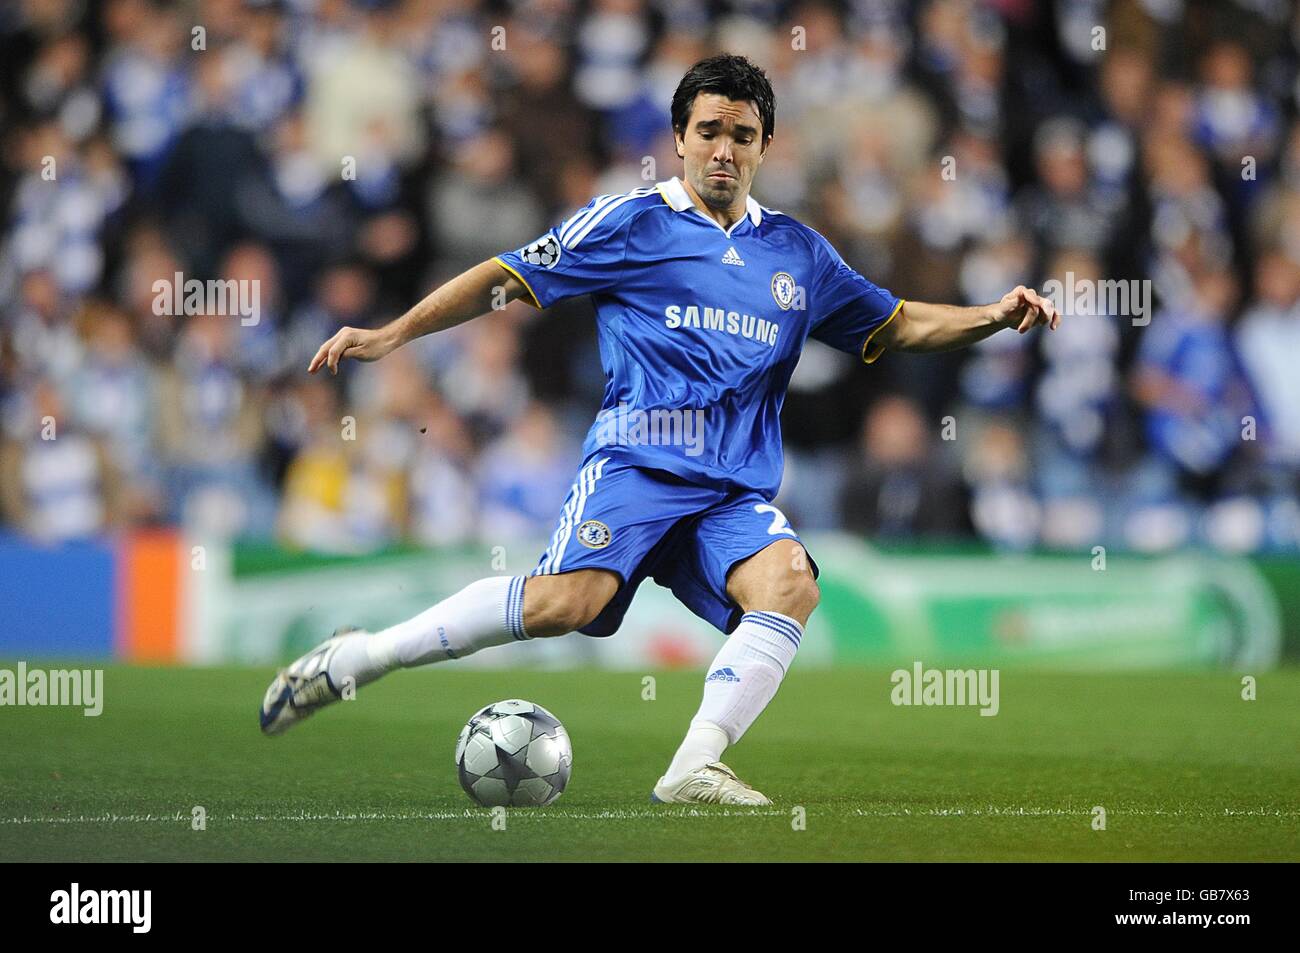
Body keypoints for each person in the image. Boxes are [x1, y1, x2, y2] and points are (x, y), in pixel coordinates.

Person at [259, 54, 1060, 805]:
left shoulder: (797, 253)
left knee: (790, 584)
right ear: (679, 138)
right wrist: (392, 334)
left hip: (730, 490)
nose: (723, 149)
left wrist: (991, 315)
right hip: (637, 467)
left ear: (764, 147)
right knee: (567, 603)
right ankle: (364, 655)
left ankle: (694, 762)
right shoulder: (629, 224)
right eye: (708, 131)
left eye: (741, 135)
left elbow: (900, 322)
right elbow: (505, 276)